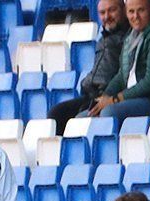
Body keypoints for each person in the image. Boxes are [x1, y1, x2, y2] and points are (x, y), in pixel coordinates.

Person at [47, 0, 130, 135]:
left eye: (112, 10)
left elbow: (122, 75)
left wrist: (107, 95)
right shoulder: (104, 38)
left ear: (123, 10)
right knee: (56, 113)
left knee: (79, 120)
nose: (107, 16)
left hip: (109, 94)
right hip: (91, 94)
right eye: (102, 13)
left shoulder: (128, 38)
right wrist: (86, 82)